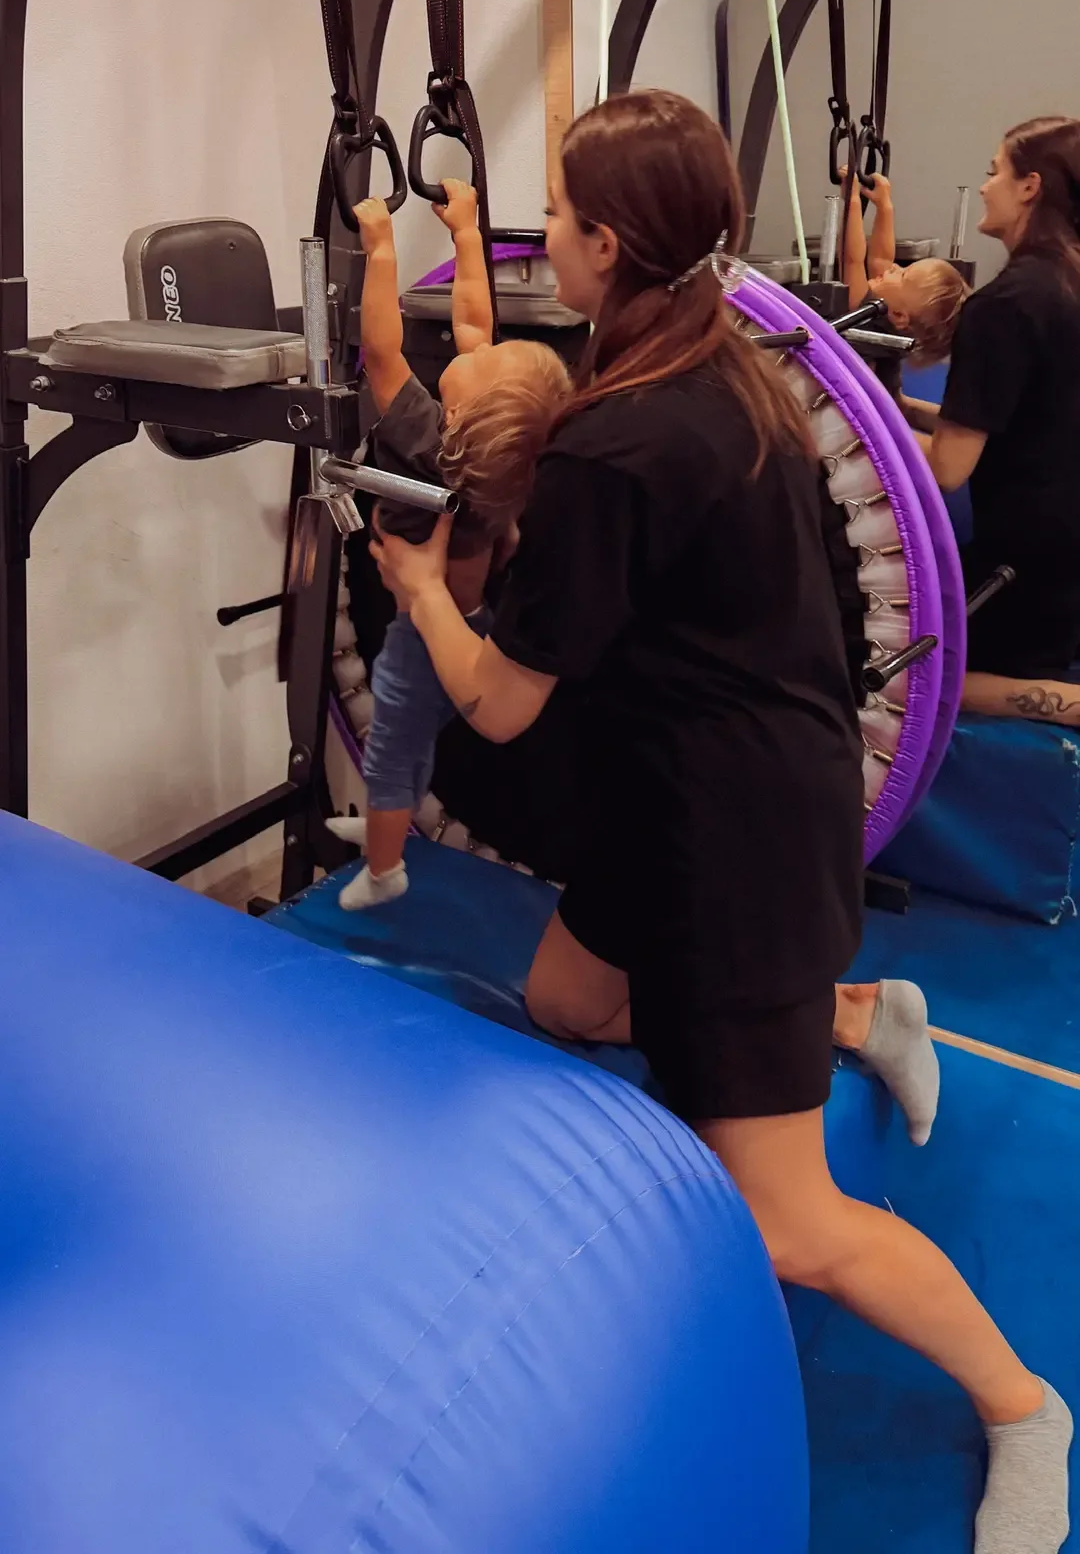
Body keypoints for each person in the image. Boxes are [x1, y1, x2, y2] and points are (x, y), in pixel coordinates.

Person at [371, 91, 1070, 1554]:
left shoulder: (618, 441)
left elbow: (498, 706)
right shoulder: (723, 366)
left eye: (560, 215)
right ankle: (861, 1011)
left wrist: (424, 589)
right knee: (567, 1001)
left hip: (736, 844)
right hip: (686, 793)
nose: (550, 232)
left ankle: (1024, 1406)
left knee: (788, 1228)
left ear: (607, 245)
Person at [327, 182, 571, 911]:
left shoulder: (426, 447)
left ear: (459, 417)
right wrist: (467, 234)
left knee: (392, 751)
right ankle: (387, 830)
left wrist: (379, 248)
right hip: (477, 626)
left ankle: (384, 870)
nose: (479, 348)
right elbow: (472, 322)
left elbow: (380, 351)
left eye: (489, 363)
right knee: (415, 743)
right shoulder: (496, 462)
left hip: (423, 639)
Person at [905, 117, 1080, 722]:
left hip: (1027, 566)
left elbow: (948, 470)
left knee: (908, 679)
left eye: (994, 171)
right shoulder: (1067, 284)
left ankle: (1068, 707)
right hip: (1066, 552)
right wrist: (902, 409)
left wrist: (859, 437)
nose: (984, 187)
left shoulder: (1003, 305)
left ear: (1030, 186)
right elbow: (1022, 418)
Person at [841, 169, 968, 397]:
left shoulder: (863, 317)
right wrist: (884, 206)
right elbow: (881, 259)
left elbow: (852, 259)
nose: (894, 267)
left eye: (903, 275)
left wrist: (852, 200)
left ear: (899, 315)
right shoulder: (893, 323)